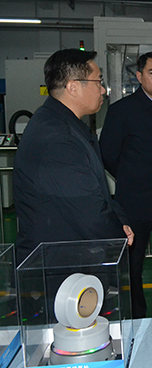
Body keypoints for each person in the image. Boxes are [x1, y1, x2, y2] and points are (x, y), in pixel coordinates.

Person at [13, 49, 133, 263]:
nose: (103, 90)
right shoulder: (58, 140)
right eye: (98, 82)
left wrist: (120, 221)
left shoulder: (61, 124)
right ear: (73, 87)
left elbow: (98, 193)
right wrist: (118, 237)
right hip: (59, 265)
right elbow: (88, 212)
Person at [100, 52, 152, 318]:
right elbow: (108, 154)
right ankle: (137, 317)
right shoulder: (122, 110)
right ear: (139, 76)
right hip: (135, 203)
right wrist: (131, 177)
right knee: (132, 266)